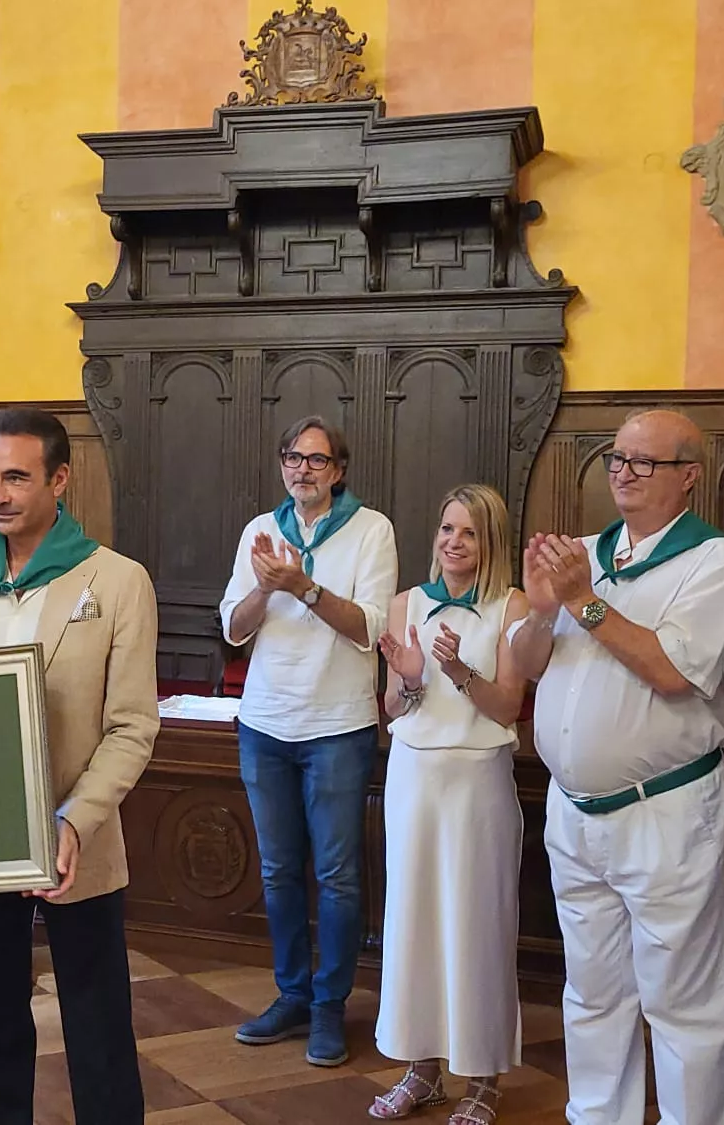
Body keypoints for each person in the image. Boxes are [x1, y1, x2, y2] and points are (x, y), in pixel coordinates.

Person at [509, 409, 724, 1125]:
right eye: (617, 458)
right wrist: (539, 609)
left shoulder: (718, 562)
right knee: (591, 990)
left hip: (666, 808)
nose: (623, 471)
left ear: (689, 477)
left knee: (683, 1000)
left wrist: (582, 600)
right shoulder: (582, 550)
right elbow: (527, 666)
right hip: (574, 807)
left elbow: (675, 672)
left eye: (644, 462)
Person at [0, 406, 160, 1125]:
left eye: (16, 478)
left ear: (60, 478)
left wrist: (74, 821)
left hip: (73, 836)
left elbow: (131, 727)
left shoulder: (118, 580)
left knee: (96, 1021)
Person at [219, 416, 396, 1066]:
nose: (303, 470)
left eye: (316, 461)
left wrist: (307, 588)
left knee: (339, 878)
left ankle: (330, 1006)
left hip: (338, 727)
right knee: (278, 872)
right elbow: (235, 629)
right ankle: (291, 994)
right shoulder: (258, 533)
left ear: (339, 470)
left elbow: (369, 629)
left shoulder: (371, 530)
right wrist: (267, 588)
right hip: (265, 724)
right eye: (293, 458)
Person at [370, 484, 528, 1123]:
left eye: (467, 533)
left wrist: (460, 672)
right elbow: (390, 709)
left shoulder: (511, 607)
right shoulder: (407, 603)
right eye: (445, 529)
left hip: (476, 782)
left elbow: (509, 707)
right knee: (412, 924)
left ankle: (484, 1079)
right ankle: (421, 1067)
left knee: (476, 924)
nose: (453, 543)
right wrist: (409, 680)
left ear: (489, 542)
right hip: (413, 777)